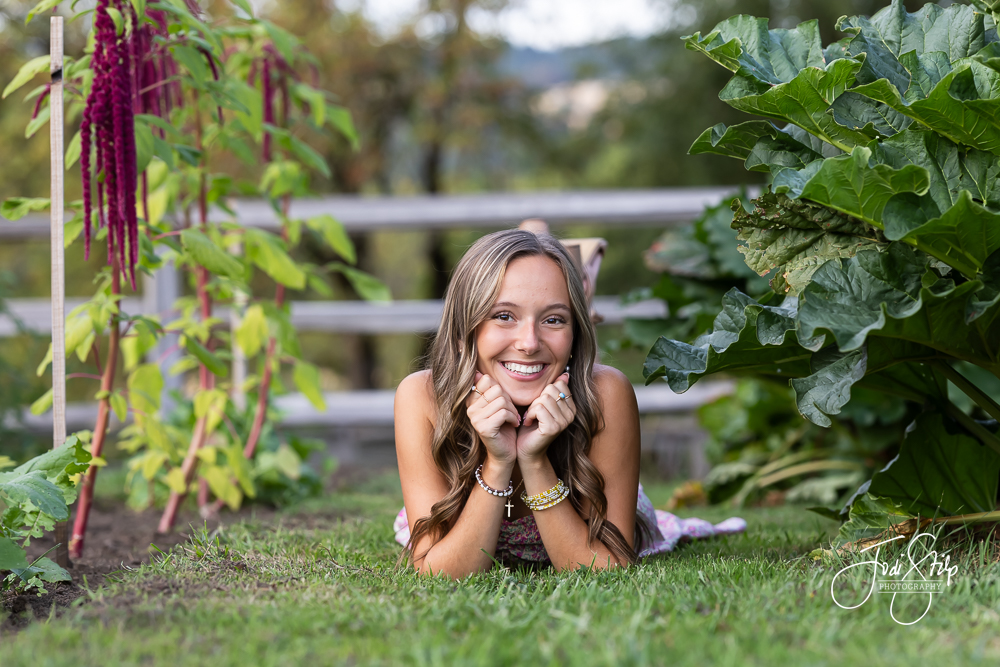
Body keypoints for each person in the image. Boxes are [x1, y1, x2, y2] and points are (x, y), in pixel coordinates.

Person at [392, 229, 744, 578]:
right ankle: (561, 257)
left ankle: (571, 273)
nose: (529, 343)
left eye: (554, 319)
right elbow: (436, 572)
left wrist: (534, 461)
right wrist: (498, 463)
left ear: (576, 334)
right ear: (462, 331)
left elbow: (608, 569)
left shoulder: (605, 393)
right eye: (504, 315)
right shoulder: (422, 397)